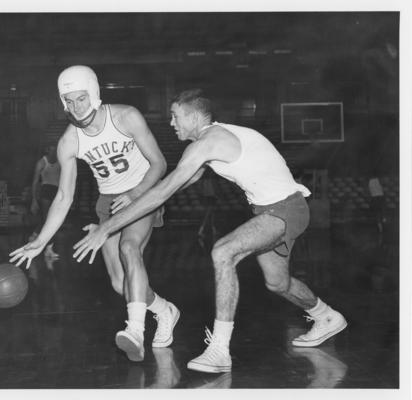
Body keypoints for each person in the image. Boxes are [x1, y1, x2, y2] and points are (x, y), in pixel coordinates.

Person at [73, 89, 348, 373]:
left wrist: (107, 227)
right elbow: (179, 183)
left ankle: (219, 349)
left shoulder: (207, 143)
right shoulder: (211, 141)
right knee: (278, 283)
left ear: (193, 116)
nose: (171, 123)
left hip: (285, 210)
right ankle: (325, 315)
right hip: (274, 210)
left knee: (224, 251)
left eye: (175, 116)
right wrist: (138, 196)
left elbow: (163, 193)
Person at [10, 65, 180, 362]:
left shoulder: (126, 116)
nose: (76, 107)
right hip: (109, 201)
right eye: (70, 101)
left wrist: (135, 194)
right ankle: (164, 310)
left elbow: (160, 164)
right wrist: (41, 240)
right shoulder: (69, 142)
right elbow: (64, 196)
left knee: (130, 248)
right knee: (119, 284)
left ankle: (136, 332)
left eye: (81, 98)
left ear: (94, 94)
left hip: (143, 192)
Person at [30, 144, 61, 259]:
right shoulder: (41, 163)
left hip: (57, 192)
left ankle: (34, 235)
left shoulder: (61, 160)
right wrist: (34, 200)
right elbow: (34, 182)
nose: (53, 152)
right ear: (47, 150)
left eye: (55, 150)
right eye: (51, 150)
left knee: (54, 220)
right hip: (46, 191)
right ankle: (48, 249)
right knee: (48, 220)